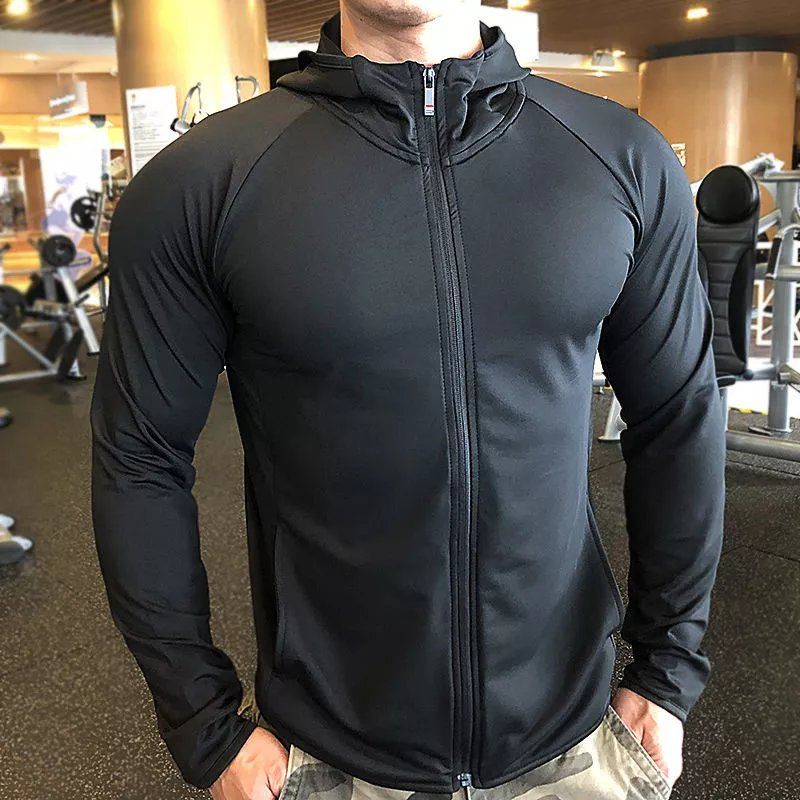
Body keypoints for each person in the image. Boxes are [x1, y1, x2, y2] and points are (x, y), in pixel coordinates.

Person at [90, 1, 726, 799]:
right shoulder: (205, 179)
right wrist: (204, 726)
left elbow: (678, 418)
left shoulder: (619, 155)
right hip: (327, 754)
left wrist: (667, 671)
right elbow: (140, 457)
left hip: (578, 740)